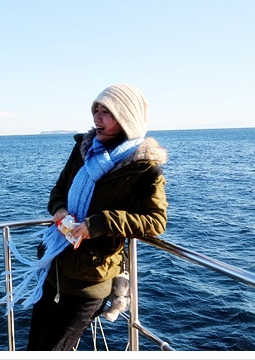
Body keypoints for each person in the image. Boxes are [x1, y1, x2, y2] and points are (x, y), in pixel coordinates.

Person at [26, 83, 169, 351]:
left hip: (89, 280)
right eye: (96, 110)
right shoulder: (84, 149)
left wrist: (97, 224)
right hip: (56, 269)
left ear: (126, 117)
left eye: (107, 112)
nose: (97, 118)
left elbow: (155, 221)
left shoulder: (144, 168)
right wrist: (59, 210)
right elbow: (60, 189)